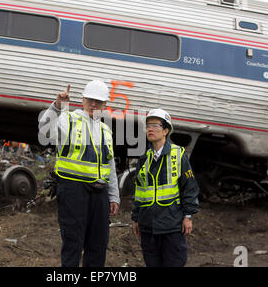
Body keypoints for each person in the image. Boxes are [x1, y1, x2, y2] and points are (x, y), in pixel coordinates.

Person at [39, 80, 120, 267]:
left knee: (98, 245)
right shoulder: (68, 120)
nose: (93, 105)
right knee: (73, 244)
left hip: (99, 195)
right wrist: (57, 106)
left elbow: (110, 165)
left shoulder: (105, 130)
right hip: (73, 191)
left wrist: (113, 196)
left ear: (105, 105)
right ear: (83, 99)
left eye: (98, 102)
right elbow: (44, 130)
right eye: (90, 100)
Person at [131, 108, 199, 267]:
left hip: (171, 226)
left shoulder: (178, 155)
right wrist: (136, 218)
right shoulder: (144, 159)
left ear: (166, 130)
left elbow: (190, 187)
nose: (150, 129)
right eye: (148, 125)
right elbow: (140, 192)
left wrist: (188, 215)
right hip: (148, 226)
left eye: (155, 125)